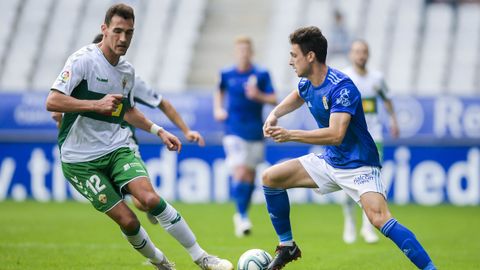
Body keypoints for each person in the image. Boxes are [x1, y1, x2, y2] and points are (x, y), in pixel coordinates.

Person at [45, 4, 232, 270]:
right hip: (79, 160)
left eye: (129, 33)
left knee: (150, 200)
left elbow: (128, 111)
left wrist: (160, 131)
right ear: (104, 29)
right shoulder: (82, 60)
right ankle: (160, 261)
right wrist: (94, 105)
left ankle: (202, 257)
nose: (123, 39)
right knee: (129, 221)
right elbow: (52, 101)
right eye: (117, 31)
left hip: (116, 147)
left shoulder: (126, 72)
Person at [261, 26, 436, 270]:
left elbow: (335, 134)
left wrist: (290, 134)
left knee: (379, 219)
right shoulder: (308, 82)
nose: (290, 61)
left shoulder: (342, 87)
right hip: (331, 161)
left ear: (310, 56)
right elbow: (297, 96)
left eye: (294, 55)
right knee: (271, 178)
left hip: (358, 164)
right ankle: (287, 246)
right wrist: (274, 114)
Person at [52, 33, 206, 225]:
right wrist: (60, 118)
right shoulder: (83, 70)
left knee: (143, 201)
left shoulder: (128, 76)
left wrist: (186, 130)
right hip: (90, 149)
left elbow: (161, 103)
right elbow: (61, 106)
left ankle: (154, 208)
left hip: (122, 142)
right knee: (127, 209)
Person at [213, 36, 277, 237]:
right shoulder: (226, 73)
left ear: (252, 52)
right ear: (236, 52)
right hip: (233, 130)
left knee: (250, 174)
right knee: (240, 171)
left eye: (246, 50)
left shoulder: (261, 73)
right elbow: (219, 91)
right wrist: (218, 109)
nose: (243, 53)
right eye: (240, 50)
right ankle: (241, 216)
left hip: (255, 131)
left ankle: (242, 214)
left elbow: (274, 98)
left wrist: (258, 95)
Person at [340, 39, 400, 244]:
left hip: (374, 137)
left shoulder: (377, 78)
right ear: (351, 54)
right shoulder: (344, 76)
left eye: (364, 51)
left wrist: (393, 120)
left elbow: (388, 98)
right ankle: (349, 223)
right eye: (357, 51)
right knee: (348, 184)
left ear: (368, 54)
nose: (361, 55)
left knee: (373, 184)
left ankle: (368, 227)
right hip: (350, 137)